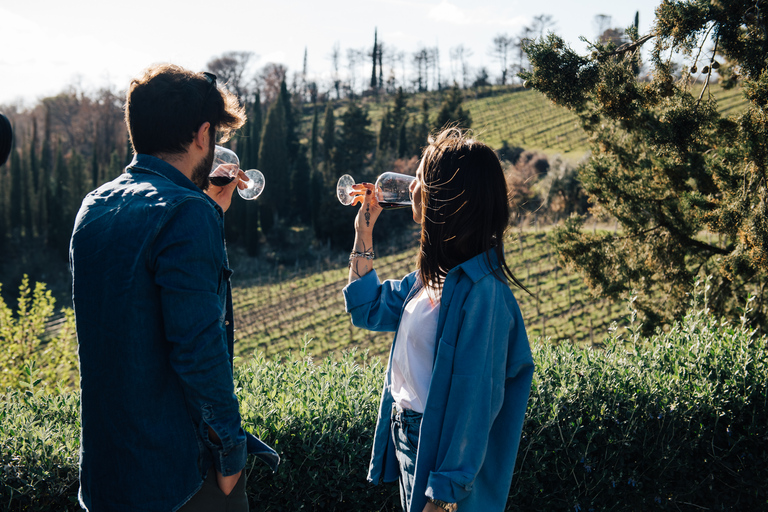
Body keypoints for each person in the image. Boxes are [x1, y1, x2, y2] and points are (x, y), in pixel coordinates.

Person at [69, 64, 278, 512]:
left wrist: (207, 212)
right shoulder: (186, 213)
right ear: (203, 135)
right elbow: (199, 350)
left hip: (107, 479)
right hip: (177, 479)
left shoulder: (94, 205)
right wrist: (230, 459)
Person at [342, 127, 534, 512]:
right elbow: (367, 309)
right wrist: (364, 232)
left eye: (421, 178)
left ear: (447, 198)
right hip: (409, 439)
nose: (412, 187)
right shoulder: (433, 278)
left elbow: (474, 406)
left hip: (436, 456)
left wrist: (443, 497)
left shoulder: (484, 294)